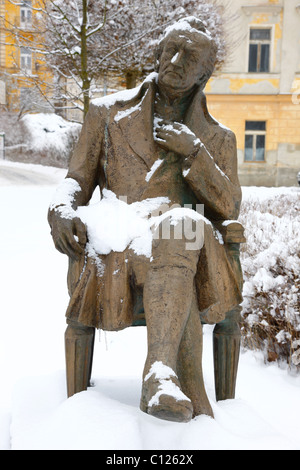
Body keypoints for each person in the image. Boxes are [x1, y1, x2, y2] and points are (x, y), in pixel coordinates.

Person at [48, 17, 243, 423]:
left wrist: (195, 154)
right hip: (124, 241)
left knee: (183, 226)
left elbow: (229, 207)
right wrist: (61, 209)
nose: (174, 60)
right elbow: (76, 180)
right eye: (170, 49)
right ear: (157, 52)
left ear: (205, 73)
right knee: (179, 250)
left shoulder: (218, 138)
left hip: (190, 244)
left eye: (189, 57)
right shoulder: (106, 113)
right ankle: (169, 383)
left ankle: (159, 374)